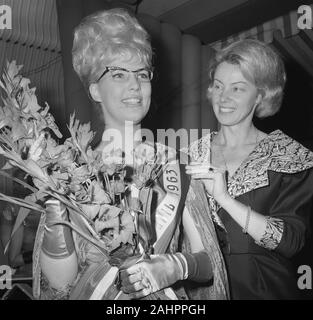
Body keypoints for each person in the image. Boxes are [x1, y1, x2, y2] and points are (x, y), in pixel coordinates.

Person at [32, 8, 228, 300]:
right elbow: (61, 284)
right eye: (119, 74)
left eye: (142, 74)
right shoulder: (71, 169)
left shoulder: (177, 164)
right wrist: (52, 197)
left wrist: (176, 266)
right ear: (95, 89)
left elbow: (210, 262)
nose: (135, 85)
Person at [185, 39, 313, 299]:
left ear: (261, 95)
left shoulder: (290, 155)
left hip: (263, 288)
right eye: (218, 86)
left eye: (238, 89)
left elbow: (290, 242)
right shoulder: (188, 154)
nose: (223, 98)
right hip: (200, 290)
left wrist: (225, 199)